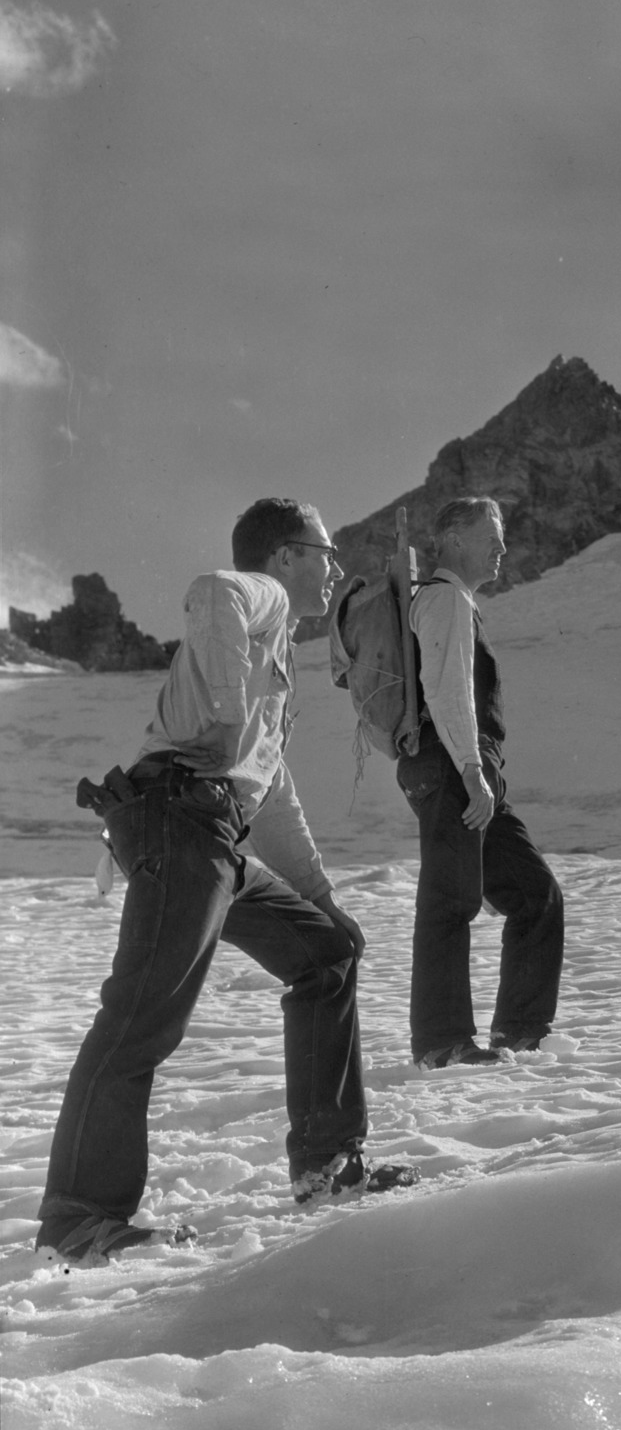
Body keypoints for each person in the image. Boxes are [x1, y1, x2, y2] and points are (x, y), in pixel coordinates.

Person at [34, 497, 416, 1264]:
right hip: (179, 820)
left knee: (328, 950)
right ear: (284, 558)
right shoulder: (259, 599)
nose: (335, 567)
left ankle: (327, 1166)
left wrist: (318, 896)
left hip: (211, 833)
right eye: (324, 551)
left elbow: (269, 792)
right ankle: (78, 1219)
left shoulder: (274, 660)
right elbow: (216, 588)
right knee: (145, 1010)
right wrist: (232, 694)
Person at [396, 495, 564, 1067]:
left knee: (534, 894)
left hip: (461, 766)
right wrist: (472, 770)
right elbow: (447, 690)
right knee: (451, 899)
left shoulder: (449, 600)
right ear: (455, 538)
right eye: (492, 534)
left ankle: (518, 1034)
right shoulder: (444, 600)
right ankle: (442, 1043)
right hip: (456, 764)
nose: (502, 548)